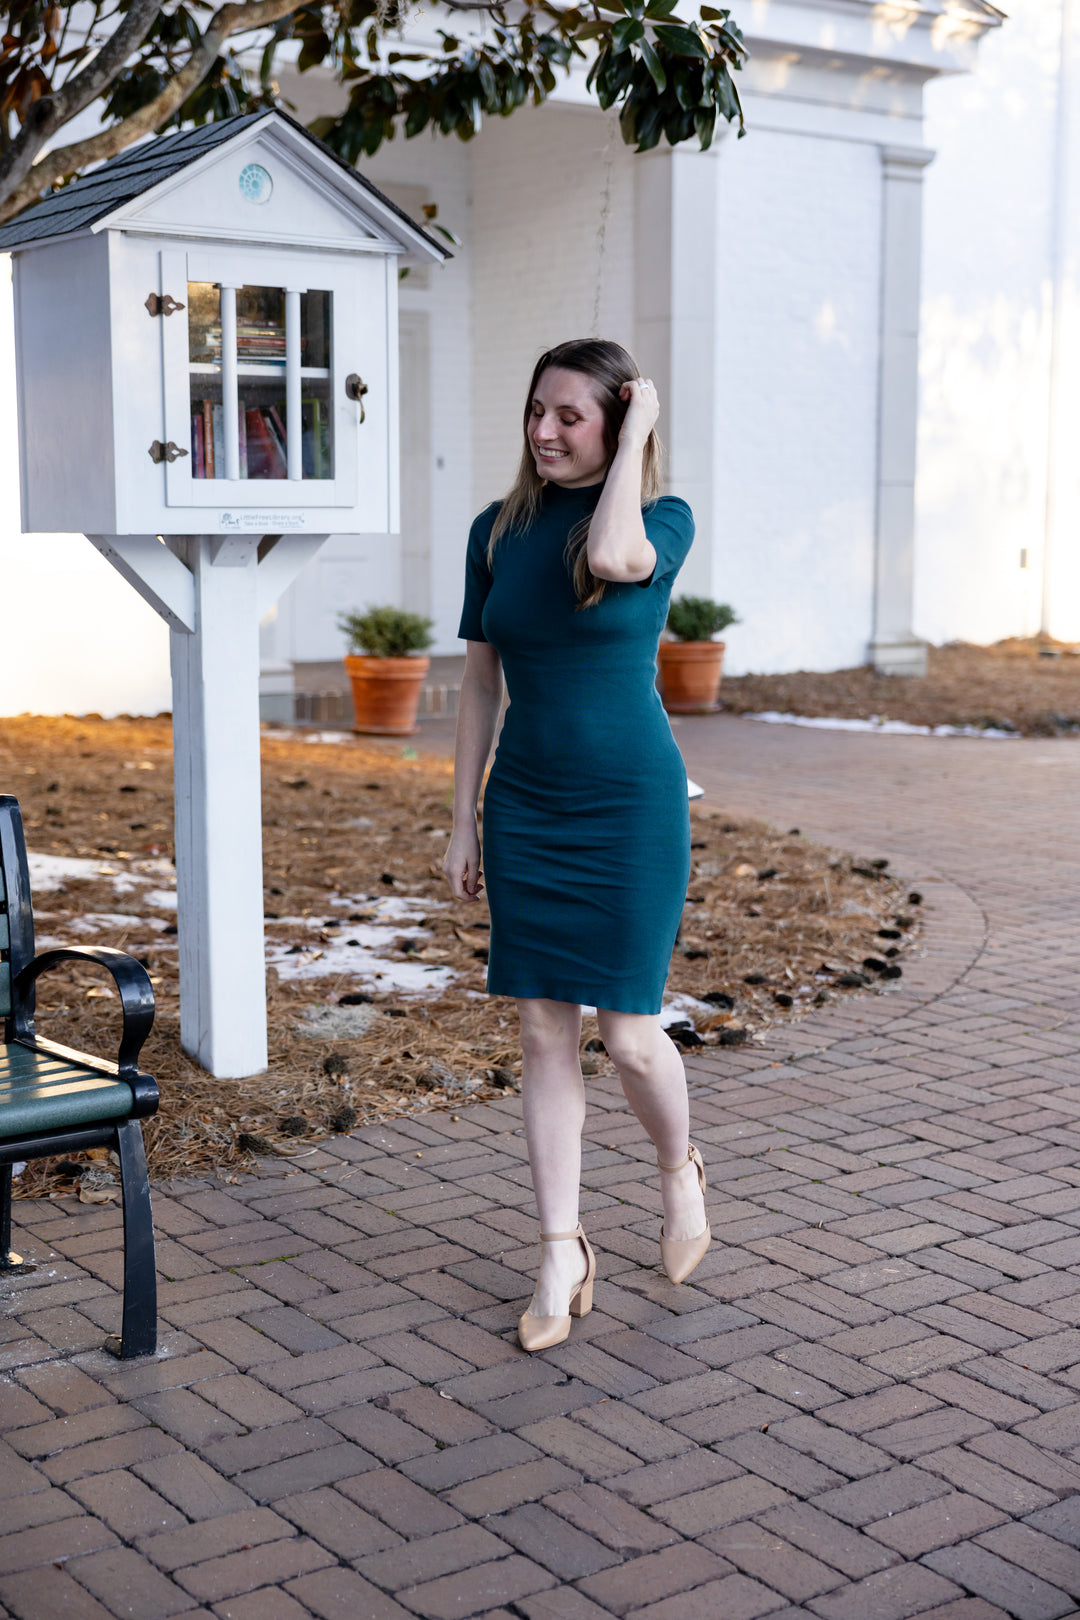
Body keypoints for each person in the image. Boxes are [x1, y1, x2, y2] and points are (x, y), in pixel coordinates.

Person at [444, 338, 710, 1352]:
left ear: (615, 424)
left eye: (571, 416)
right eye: (536, 411)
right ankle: (561, 1248)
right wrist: (460, 815)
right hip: (529, 808)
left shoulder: (662, 521)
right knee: (544, 1030)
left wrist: (641, 431)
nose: (545, 432)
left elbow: (610, 560)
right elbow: (478, 682)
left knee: (629, 1036)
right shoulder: (495, 531)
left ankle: (678, 1170)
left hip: (631, 807)